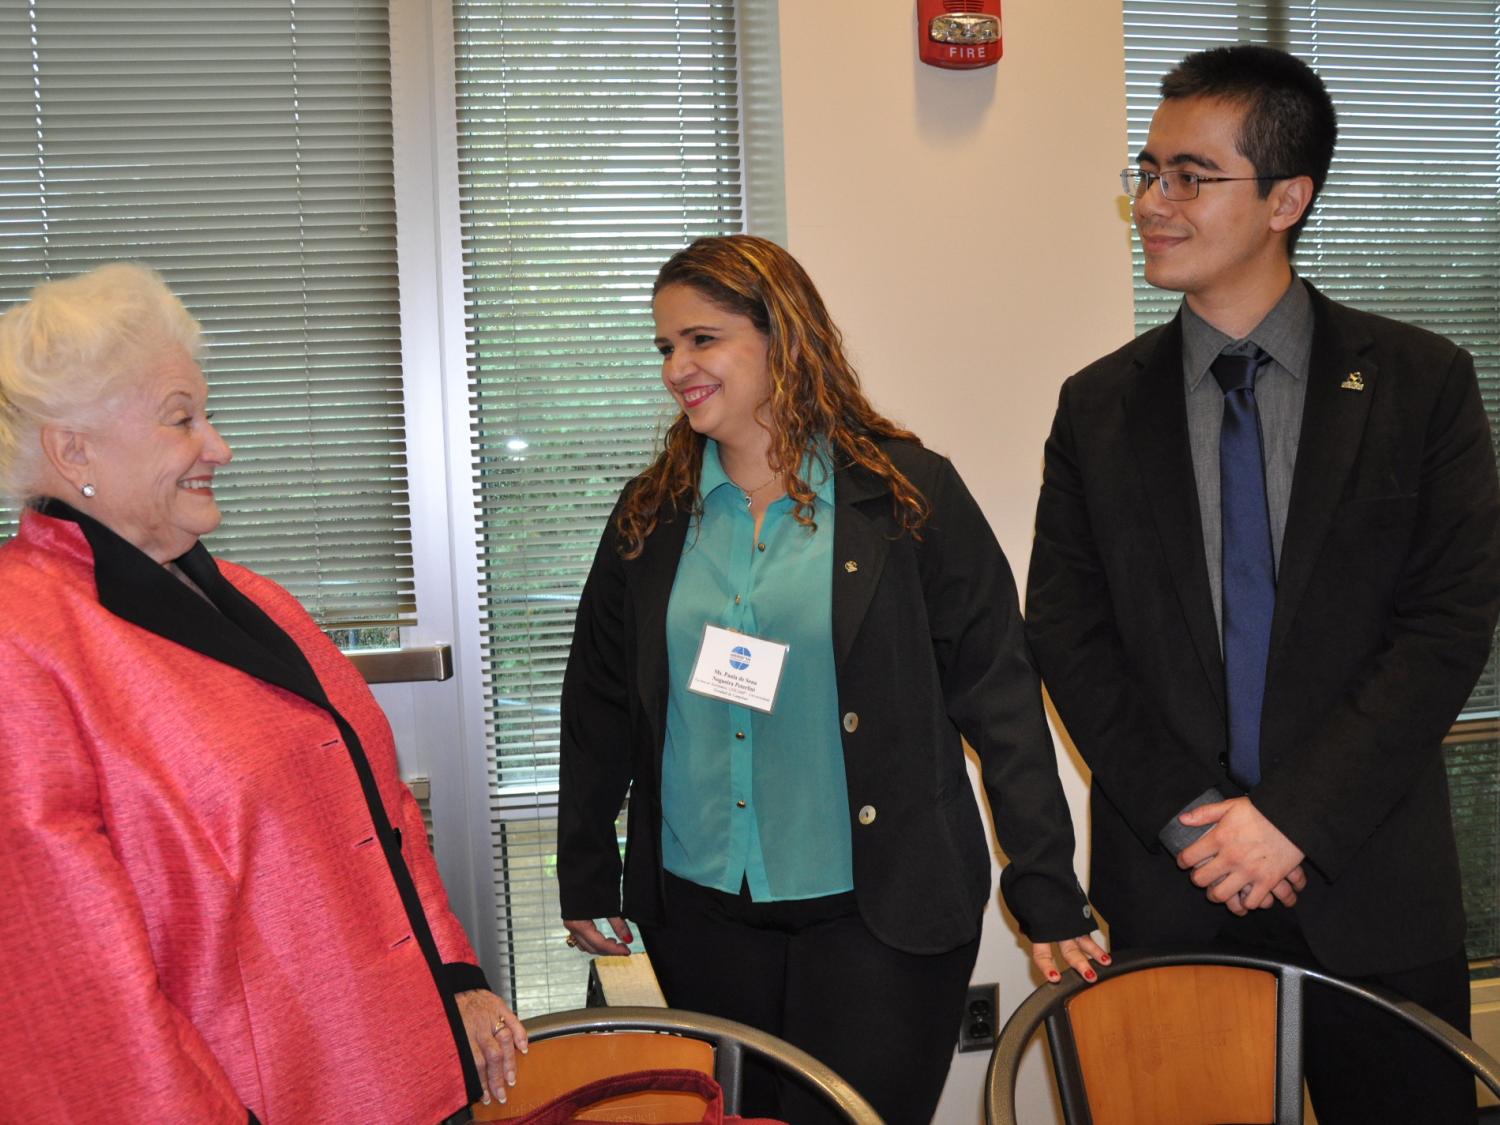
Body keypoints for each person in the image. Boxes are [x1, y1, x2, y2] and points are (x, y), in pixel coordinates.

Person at [1026, 44, 1500, 1125]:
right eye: (1147, 172)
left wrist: (1291, 819)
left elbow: (1444, 629)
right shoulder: (1097, 407)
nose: (1152, 202)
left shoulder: (1421, 385)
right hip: (1173, 884)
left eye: (1190, 176)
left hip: (1370, 884)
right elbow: (1066, 628)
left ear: (1289, 197)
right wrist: (1196, 818)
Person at [557, 234, 1106, 1124]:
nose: (676, 368)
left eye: (703, 339)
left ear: (783, 335)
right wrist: (588, 868)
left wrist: (1045, 889)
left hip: (877, 913)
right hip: (700, 910)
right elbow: (600, 701)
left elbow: (999, 695)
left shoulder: (903, 495)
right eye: (665, 347)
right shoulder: (650, 513)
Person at [0, 263, 528, 1124]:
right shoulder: (22, 638)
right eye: (183, 420)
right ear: (74, 450)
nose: (219, 445)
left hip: (403, 1073)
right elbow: (79, 984)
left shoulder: (254, 597)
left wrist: (455, 978)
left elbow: (380, 812)